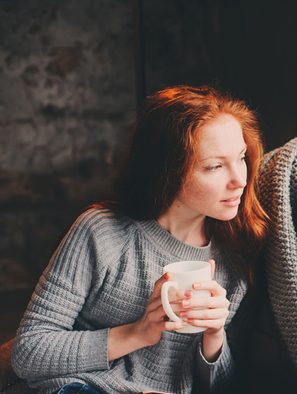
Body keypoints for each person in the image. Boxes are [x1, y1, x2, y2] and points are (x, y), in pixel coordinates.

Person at [11, 85, 268, 394]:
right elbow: (28, 352)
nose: (240, 179)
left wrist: (214, 337)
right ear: (169, 171)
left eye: (240, 158)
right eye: (215, 166)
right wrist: (137, 333)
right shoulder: (103, 232)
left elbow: (222, 385)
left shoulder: (235, 253)